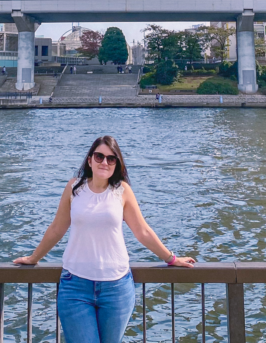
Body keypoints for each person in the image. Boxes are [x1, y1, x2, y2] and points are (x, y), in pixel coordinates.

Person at [13, 136, 194, 343]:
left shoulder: (122, 191)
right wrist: (33, 258)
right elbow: (57, 228)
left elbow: (142, 231)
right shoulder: (74, 188)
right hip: (75, 287)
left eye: (111, 158)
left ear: (117, 164)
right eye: (99, 156)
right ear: (90, 160)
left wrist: (171, 259)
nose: (104, 162)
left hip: (116, 288)